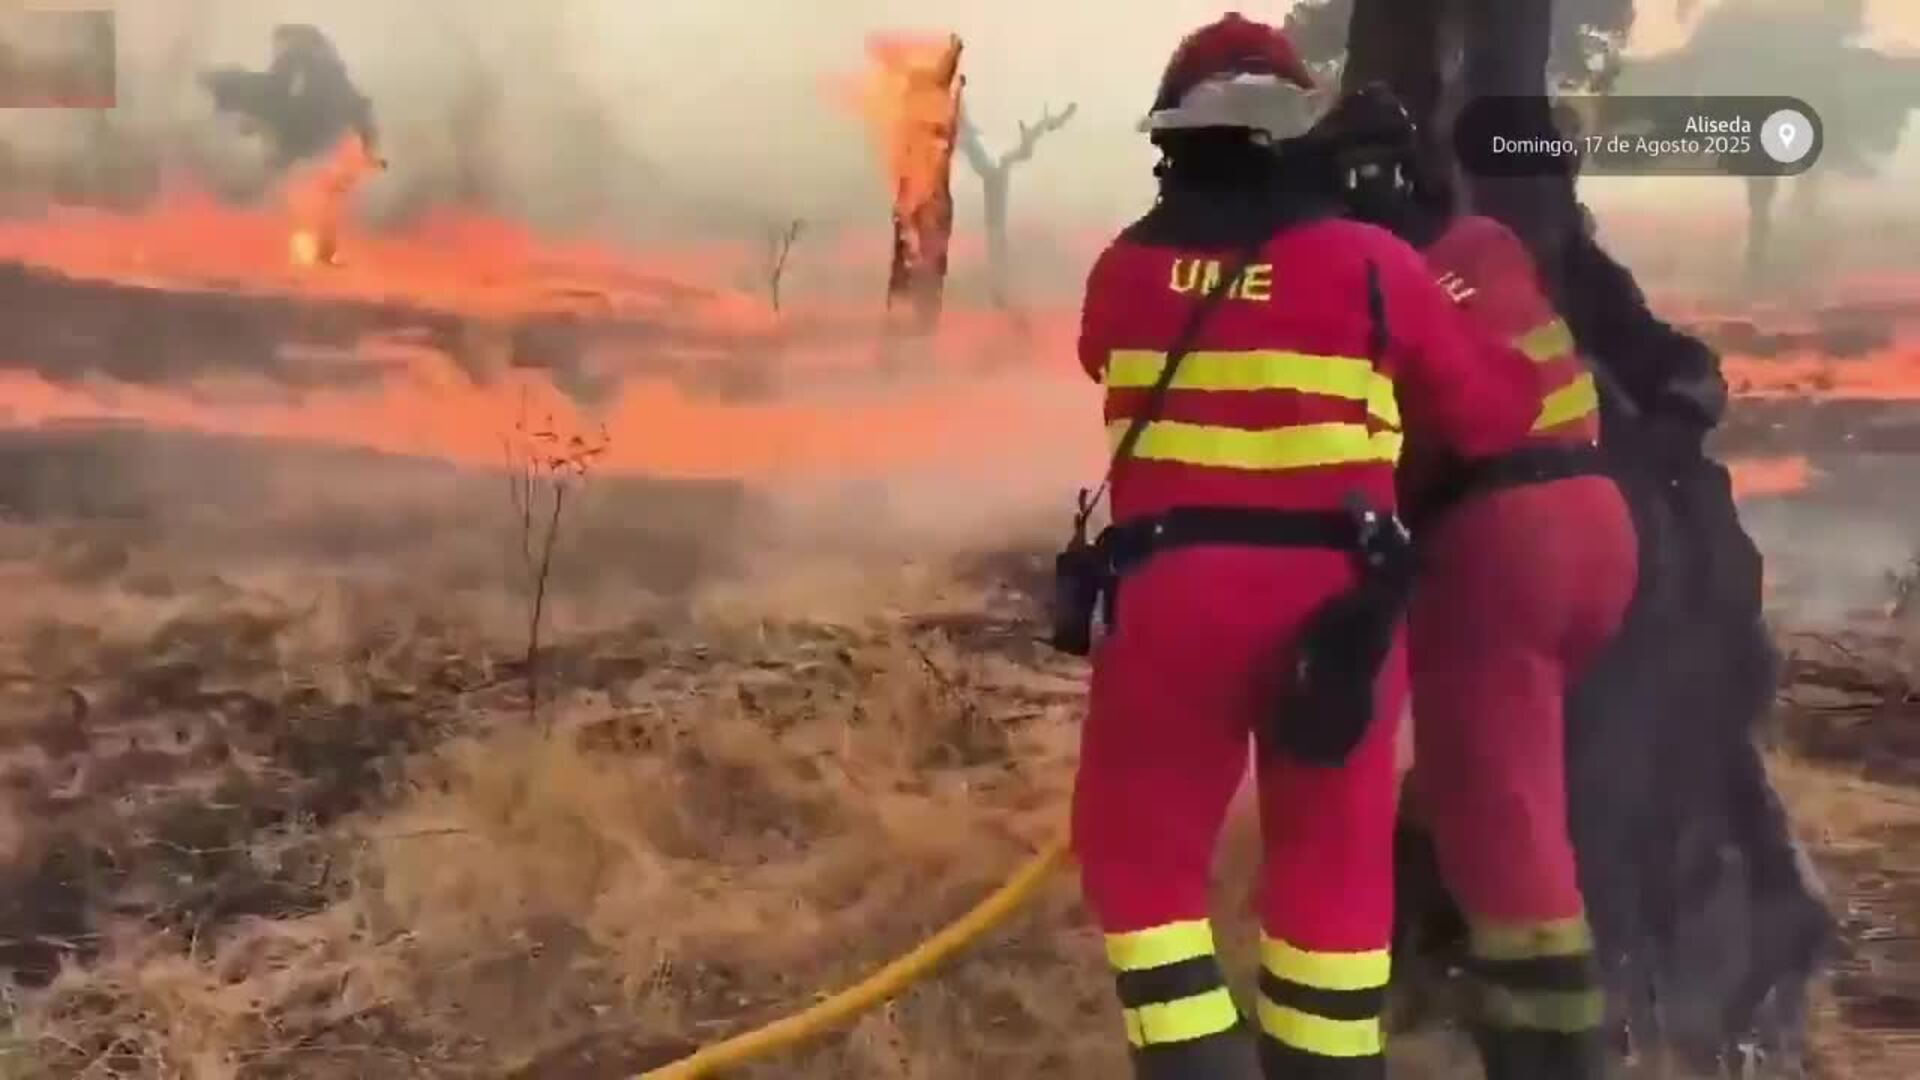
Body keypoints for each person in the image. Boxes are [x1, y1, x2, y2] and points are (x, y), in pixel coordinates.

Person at [1070, 16, 1542, 1078]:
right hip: (1342, 609)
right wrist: (1406, 243)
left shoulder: (1122, 269)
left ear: (1173, 138)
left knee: (1140, 860)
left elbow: (1100, 353)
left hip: (1171, 602)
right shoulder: (1373, 263)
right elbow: (1489, 414)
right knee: (1333, 868)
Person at [1323, 84, 1640, 1079]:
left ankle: (1548, 1053)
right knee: (1476, 781)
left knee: (1507, 835)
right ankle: (1434, 957)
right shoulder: (1486, 244)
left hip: (1498, 552)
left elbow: (1376, 457)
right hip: (1596, 526)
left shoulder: (1373, 285)